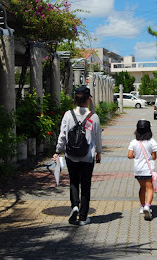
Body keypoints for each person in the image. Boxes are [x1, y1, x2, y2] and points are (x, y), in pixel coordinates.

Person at [53, 86, 102, 226]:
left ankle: (74, 206)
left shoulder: (68, 115)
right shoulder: (94, 117)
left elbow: (63, 135)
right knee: (85, 185)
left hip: (71, 156)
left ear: (75, 99)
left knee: (73, 182)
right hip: (87, 157)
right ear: (88, 99)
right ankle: (83, 215)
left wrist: (58, 151)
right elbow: (97, 137)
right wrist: (99, 152)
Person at [128, 120, 157, 221]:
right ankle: (147, 205)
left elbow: (129, 155)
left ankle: (142, 206)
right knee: (149, 188)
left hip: (138, 170)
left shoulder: (134, 142)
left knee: (142, 187)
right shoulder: (152, 141)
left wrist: (136, 155)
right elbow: (154, 157)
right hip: (148, 170)